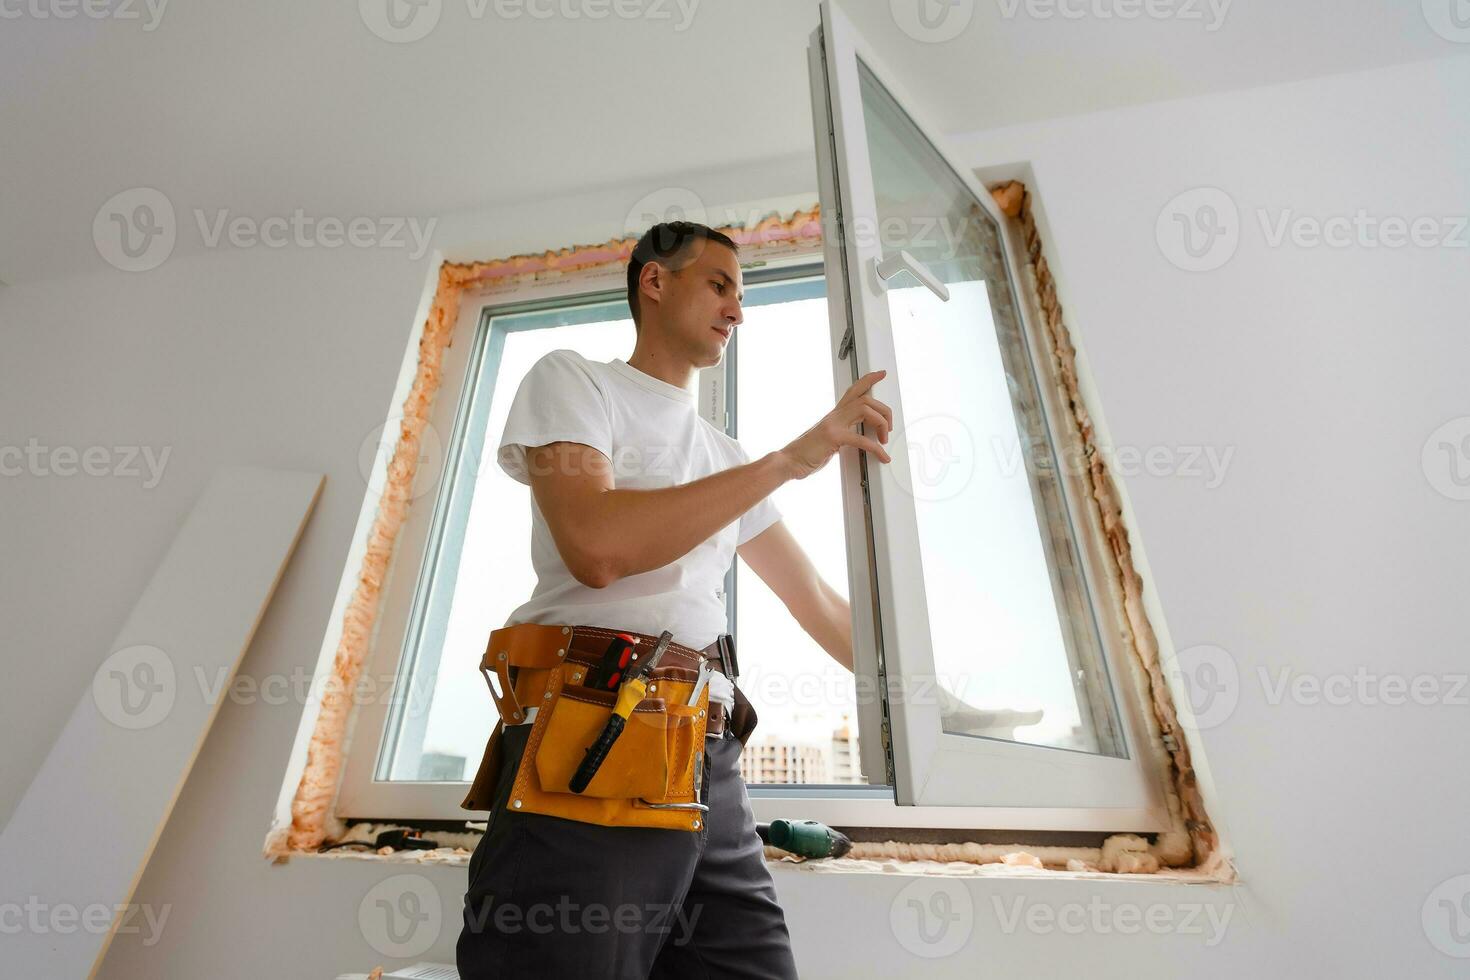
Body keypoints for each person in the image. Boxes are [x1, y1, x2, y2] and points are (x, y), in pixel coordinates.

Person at [457, 220, 892, 979]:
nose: (737, 310)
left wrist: (936, 699)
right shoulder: (575, 381)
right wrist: (789, 461)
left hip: (708, 757)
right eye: (719, 285)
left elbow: (818, 602)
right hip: (597, 734)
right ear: (654, 283)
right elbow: (597, 547)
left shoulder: (723, 458)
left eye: (743, 294)